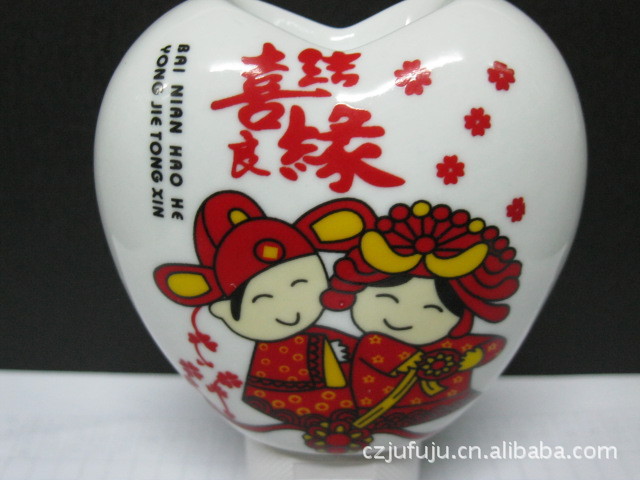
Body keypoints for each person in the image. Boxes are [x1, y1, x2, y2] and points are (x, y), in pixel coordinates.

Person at [320, 201, 522, 429]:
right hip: (382, 411)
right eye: (387, 299)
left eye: (432, 309)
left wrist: (474, 357)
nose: (401, 317)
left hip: (438, 407)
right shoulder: (374, 343)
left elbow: (493, 344)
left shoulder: (451, 343)